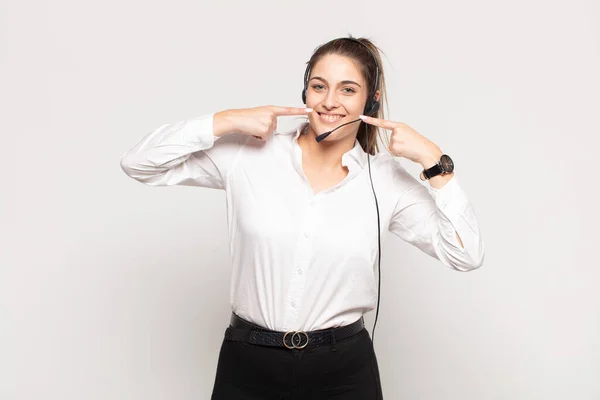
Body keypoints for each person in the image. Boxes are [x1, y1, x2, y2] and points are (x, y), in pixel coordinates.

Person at [120, 35, 485, 400]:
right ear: (304, 93)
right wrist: (228, 120)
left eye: (347, 89)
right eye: (318, 86)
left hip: (343, 373)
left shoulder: (385, 181)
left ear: (370, 100)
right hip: (248, 364)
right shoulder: (250, 156)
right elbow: (139, 163)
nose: (329, 101)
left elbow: (465, 254)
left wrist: (434, 160)